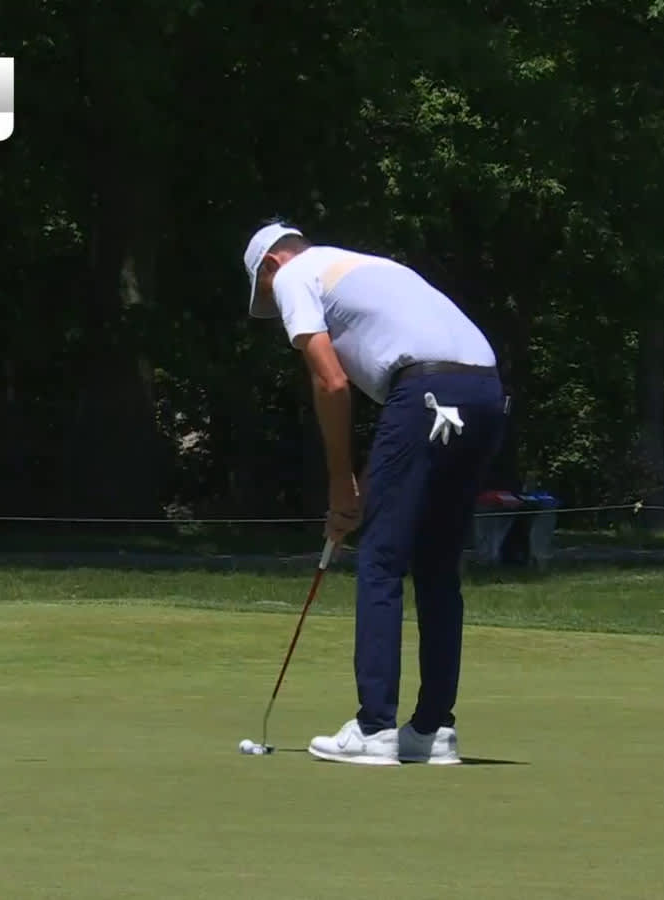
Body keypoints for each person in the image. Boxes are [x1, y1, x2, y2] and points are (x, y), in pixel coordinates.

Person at [243, 221, 507, 765]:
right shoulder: (372, 266)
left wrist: (343, 485)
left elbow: (332, 382)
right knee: (436, 566)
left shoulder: (294, 274)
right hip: (485, 392)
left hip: (426, 391)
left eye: (266, 294)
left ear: (271, 265)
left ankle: (375, 728)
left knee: (381, 560)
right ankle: (433, 731)